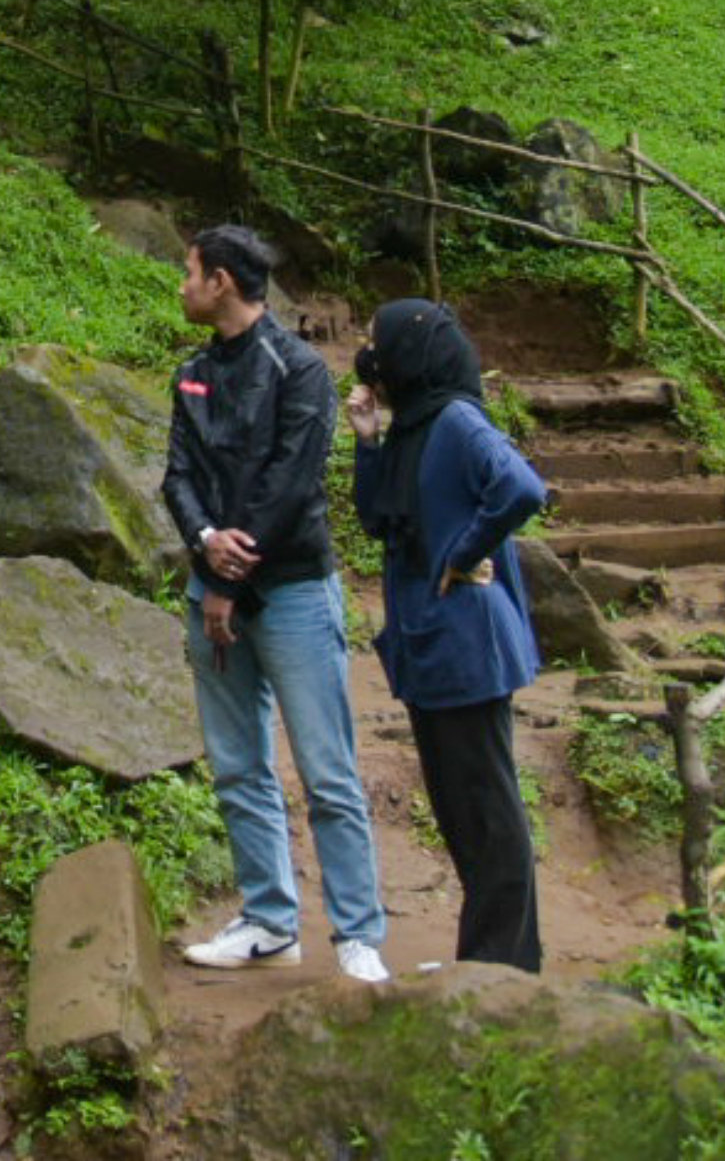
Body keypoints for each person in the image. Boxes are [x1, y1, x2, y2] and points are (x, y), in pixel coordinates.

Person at [162, 222, 390, 983]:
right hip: (212, 587)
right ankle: (268, 919)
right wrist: (202, 539)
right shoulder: (191, 372)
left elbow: (292, 483)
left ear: (222, 280)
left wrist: (228, 576)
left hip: (289, 589)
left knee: (328, 769)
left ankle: (358, 934)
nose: (184, 284)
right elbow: (178, 474)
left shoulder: (299, 370)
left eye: (190, 272)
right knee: (237, 765)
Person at [348, 296, 551, 973]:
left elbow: (521, 487)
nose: (366, 351)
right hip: (429, 643)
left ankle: (505, 963)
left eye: (375, 341)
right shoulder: (410, 426)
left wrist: (463, 552)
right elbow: (378, 519)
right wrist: (367, 438)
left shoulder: (458, 420)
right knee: (459, 808)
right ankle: (484, 955)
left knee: (488, 810)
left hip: (467, 641)